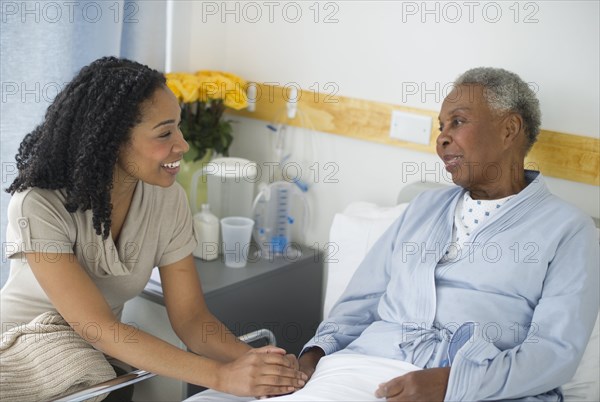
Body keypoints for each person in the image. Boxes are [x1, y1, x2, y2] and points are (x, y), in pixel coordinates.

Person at [0, 57, 307, 401]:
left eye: (177, 126)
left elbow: (191, 317)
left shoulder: (167, 199)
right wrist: (222, 376)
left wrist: (254, 363)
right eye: (165, 133)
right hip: (24, 354)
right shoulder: (38, 204)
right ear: (111, 141)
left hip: (98, 365)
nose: (183, 144)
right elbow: (97, 327)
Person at [292, 67, 599, 401]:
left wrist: (453, 384)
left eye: (458, 122)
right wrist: (312, 358)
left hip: (479, 388)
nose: (442, 138)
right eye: (441, 127)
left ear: (509, 129)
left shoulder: (568, 230)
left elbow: (554, 353)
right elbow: (359, 303)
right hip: (364, 366)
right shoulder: (424, 207)